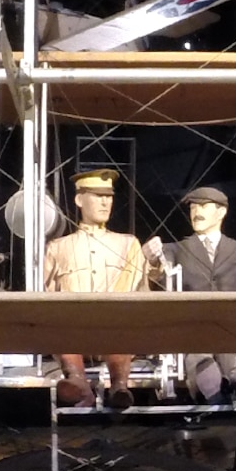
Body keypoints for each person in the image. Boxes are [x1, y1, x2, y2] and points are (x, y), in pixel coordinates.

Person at [144, 185, 236, 404]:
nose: (197, 211)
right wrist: (153, 260)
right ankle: (216, 394)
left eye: (204, 206)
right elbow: (161, 275)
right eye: (193, 207)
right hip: (195, 332)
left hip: (234, 331)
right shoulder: (177, 249)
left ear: (221, 212)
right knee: (204, 369)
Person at [41, 168, 148, 409]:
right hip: (73, 333)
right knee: (62, 331)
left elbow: (141, 293)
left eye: (108, 196)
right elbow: (46, 295)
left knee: (120, 330)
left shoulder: (127, 244)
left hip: (115, 329)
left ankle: (119, 385)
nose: (104, 202)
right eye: (97, 196)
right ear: (79, 200)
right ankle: (77, 381)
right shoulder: (59, 247)